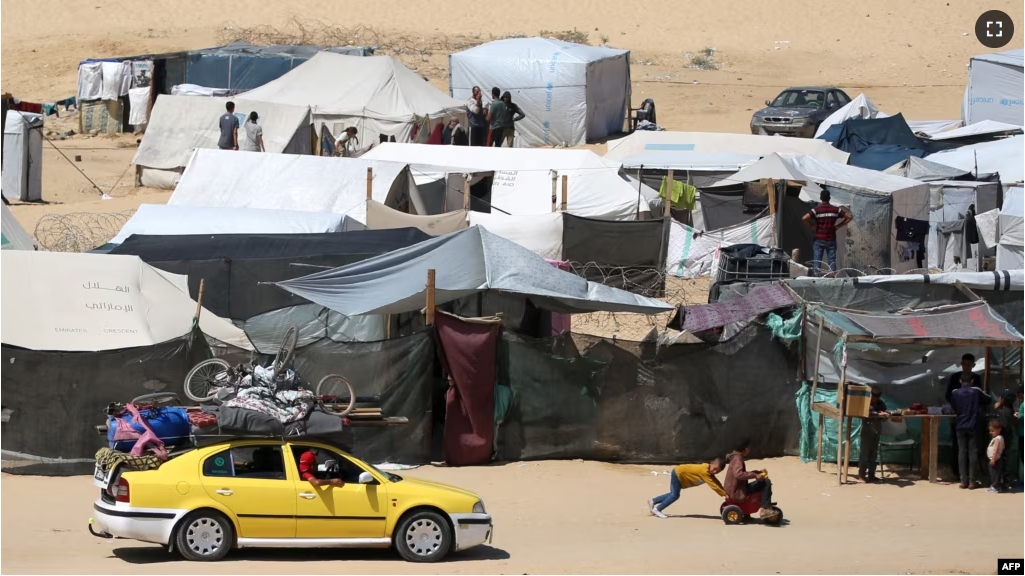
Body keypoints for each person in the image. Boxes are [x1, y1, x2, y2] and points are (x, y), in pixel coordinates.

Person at [945, 353, 984, 479]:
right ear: (961, 364)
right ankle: (959, 474)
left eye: (969, 364)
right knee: (959, 447)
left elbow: (981, 397)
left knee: (970, 449)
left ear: (973, 365)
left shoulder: (977, 379)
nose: (966, 367)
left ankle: (969, 476)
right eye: (964, 364)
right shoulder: (954, 377)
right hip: (960, 417)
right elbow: (948, 396)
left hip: (969, 418)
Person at [647, 457, 727, 518]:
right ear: (711, 463)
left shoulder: (709, 472)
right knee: (675, 495)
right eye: (715, 469)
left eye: (718, 471)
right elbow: (712, 484)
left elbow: (716, 482)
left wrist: (725, 491)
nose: (715, 472)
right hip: (678, 473)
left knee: (673, 494)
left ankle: (653, 501)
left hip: (679, 474)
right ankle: (657, 509)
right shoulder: (704, 471)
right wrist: (724, 494)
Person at [949, 376, 991, 489]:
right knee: (973, 452)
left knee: (961, 452)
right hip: (973, 425)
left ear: (960, 381)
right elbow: (989, 399)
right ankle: (972, 481)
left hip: (960, 425)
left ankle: (963, 481)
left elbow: (953, 406)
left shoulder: (955, 392)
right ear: (972, 381)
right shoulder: (976, 391)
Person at [723, 440, 777, 520]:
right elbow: (739, 474)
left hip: (736, 488)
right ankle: (764, 509)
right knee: (766, 482)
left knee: (762, 482)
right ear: (745, 449)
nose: (750, 450)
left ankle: (748, 512)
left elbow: (741, 473)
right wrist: (755, 475)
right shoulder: (738, 460)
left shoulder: (735, 457)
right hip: (737, 491)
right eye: (749, 449)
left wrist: (757, 472)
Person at [802, 190, 851, 276]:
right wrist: (838, 226)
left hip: (819, 239)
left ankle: (816, 280)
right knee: (832, 261)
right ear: (829, 198)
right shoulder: (836, 210)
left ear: (820, 198)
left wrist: (812, 226)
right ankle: (832, 280)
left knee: (817, 261)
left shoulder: (816, 210)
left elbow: (804, 218)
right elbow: (849, 217)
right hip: (831, 239)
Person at [858, 387, 890, 483]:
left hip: (876, 429)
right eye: (873, 396)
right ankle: (862, 474)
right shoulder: (866, 402)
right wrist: (876, 414)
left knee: (874, 453)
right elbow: (864, 413)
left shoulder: (881, 403)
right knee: (864, 453)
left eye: (876, 397)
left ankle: (872, 474)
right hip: (867, 429)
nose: (874, 399)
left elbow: (884, 415)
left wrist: (885, 415)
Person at [993, 389, 1018, 489]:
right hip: (1007, 438)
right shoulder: (1009, 410)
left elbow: (1004, 426)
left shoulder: (1004, 412)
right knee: (1004, 459)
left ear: (1003, 399)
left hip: (1003, 439)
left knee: (1001, 459)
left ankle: (1003, 482)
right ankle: (1005, 481)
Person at [986, 419, 1006, 493]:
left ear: (999, 430)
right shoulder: (1001, 438)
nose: (991, 432)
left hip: (995, 459)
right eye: (990, 431)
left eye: (993, 431)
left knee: (994, 473)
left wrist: (993, 459)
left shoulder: (997, 439)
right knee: (996, 473)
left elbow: (996, 449)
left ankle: (995, 486)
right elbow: (1003, 447)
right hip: (998, 458)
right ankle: (996, 486)